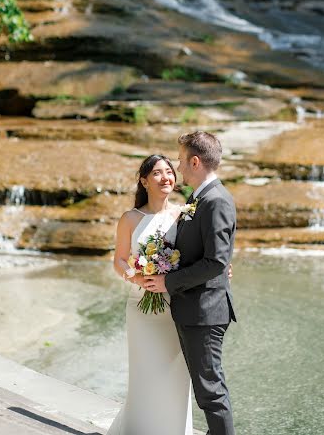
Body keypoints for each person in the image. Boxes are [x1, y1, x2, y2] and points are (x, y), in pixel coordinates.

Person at [145, 131, 237, 435]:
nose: (179, 169)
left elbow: (216, 261)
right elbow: (209, 257)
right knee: (206, 390)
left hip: (205, 311)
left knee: (211, 392)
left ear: (195, 162)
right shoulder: (198, 199)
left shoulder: (216, 201)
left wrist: (167, 281)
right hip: (195, 309)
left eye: (182, 162)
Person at [107, 154, 193, 435]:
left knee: (177, 375)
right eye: (157, 173)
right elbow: (119, 260)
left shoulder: (183, 214)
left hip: (177, 307)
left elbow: (196, 257)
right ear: (144, 181)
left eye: (169, 171)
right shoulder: (131, 218)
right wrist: (137, 277)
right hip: (141, 309)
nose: (166, 177)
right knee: (145, 375)